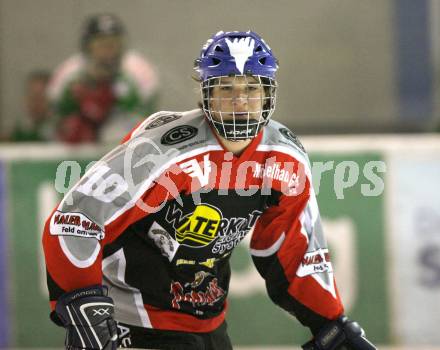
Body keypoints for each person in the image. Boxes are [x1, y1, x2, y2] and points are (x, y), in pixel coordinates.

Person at [42, 31, 377, 350]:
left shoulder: (284, 158)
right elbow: (74, 221)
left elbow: (292, 251)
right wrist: (84, 297)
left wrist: (328, 322)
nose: (240, 101)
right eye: (226, 88)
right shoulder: (161, 153)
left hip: (208, 323)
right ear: (206, 94)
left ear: (268, 94)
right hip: (136, 322)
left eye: (251, 88)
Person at [48, 13, 159, 144]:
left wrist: (119, 96)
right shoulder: (70, 73)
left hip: (122, 134)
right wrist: (78, 97)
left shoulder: (139, 70)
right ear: (88, 46)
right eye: (101, 43)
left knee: (117, 133)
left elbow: (146, 118)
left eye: (113, 43)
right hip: (81, 134)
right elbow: (57, 113)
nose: (108, 49)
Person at [10, 70, 53, 142]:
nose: (35, 103)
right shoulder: (20, 132)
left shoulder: (60, 134)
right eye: (32, 97)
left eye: (40, 97)